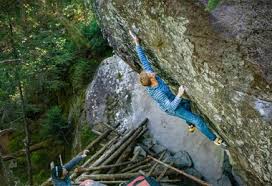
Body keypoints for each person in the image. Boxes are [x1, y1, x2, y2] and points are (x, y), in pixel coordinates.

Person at [129, 30, 222, 145]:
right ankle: (215, 139)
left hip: (172, 99)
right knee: (198, 120)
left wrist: (137, 43)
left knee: (187, 104)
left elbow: (144, 60)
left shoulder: (151, 78)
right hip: (172, 108)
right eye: (150, 73)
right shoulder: (157, 93)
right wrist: (179, 93)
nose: (151, 71)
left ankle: (189, 124)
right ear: (151, 79)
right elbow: (172, 106)